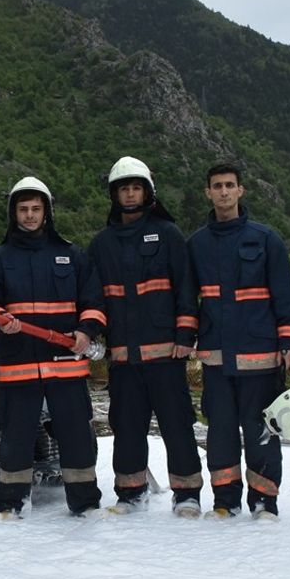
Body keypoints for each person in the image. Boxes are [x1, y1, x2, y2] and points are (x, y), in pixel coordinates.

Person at [0, 176, 106, 518]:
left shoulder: (71, 255)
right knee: (16, 439)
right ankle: (11, 504)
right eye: (24, 209)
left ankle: (85, 502)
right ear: (13, 213)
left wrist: (86, 331)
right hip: (19, 366)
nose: (30, 216)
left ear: (47, 212)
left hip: (66, 364)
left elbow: (93, 301)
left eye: (36, 209)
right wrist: (2, 318)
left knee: (77, 437)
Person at [87, 157, 203, 517]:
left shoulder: (168, 234)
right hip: (123, 359)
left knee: (178, 425)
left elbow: (186, 287)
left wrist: (186, 332)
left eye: (136, 187)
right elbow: (94, 297)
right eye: (124, 188)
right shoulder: (101, 244)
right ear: (114, 195)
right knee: (126, 427)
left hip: (166, 356)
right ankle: (130, 492)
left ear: (148, 192)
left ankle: (186, 494)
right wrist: (94, 335)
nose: (131, 194)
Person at [187, 162, 290, 520]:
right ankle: (225, 501)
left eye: (230, 185)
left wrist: (289, 342)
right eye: (217, 186)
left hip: (261, 358)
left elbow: (285, 295)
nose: (223, 191)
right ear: (208, 192)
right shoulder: (196, 245)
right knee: (220, 433)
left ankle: (265, 501)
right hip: (217, 362)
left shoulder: (265, 239)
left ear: (241, 191)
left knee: (262, 434)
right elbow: (187, 300)